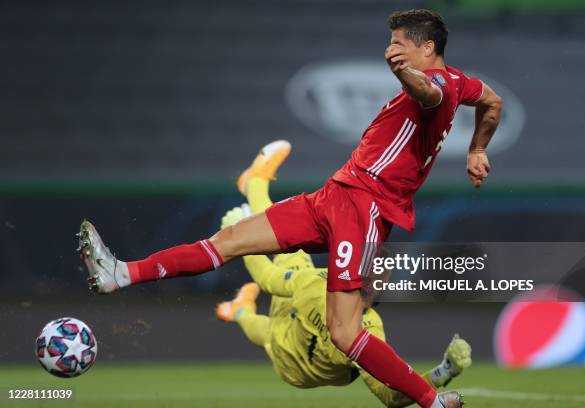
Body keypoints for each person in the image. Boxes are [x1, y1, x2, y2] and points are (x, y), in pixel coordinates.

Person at [78, 9, 501, 408]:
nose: (391, 50)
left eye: (398, 44)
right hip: (333, 195)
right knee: (227, 241)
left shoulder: (441, 86)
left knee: (344, 331)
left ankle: (429, 402)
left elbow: (428, 92)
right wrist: (477, 149)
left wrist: (404, 73)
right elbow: (493, 103)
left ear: (427, 48)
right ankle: (121, 273)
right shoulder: (464, 84)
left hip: (365, 208)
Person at [214, 158, 472, 407]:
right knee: (286, 257)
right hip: (299, 344)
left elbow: (268, 279)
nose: (379, 282)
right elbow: (390, 397)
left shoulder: (321, 287)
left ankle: (255, 185)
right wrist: (443, 372)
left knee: (272, 322)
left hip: (290, 354)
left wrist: (236, 241)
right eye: (376, 275)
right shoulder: (366, 326)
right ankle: (238, 306)